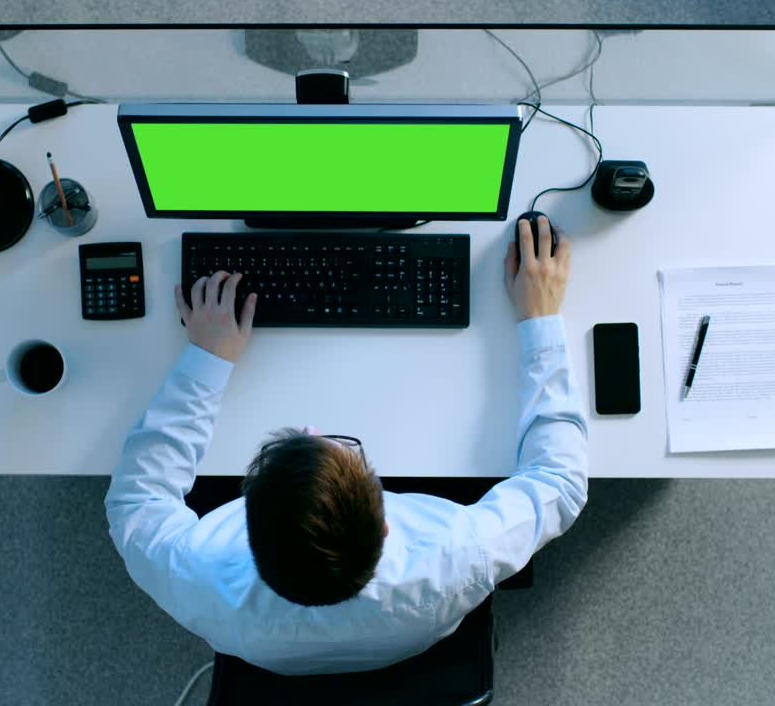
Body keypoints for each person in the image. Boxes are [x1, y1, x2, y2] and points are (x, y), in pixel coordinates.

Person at [105, 215, 589, 675]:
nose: (318, 433)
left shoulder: (195, 579)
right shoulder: (457, 556)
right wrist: (540, 320)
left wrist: (206, 359)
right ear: (382, 526)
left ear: (246, 527)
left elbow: (137, 501)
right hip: (407, 642)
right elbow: (560, 483)